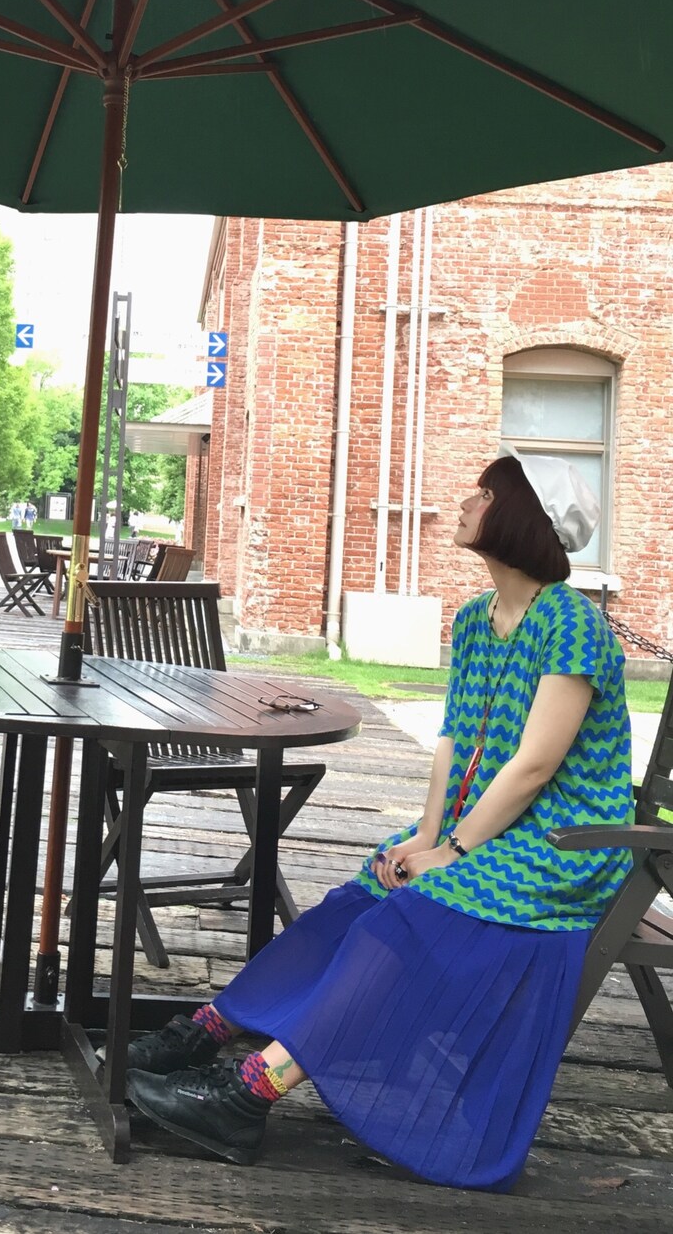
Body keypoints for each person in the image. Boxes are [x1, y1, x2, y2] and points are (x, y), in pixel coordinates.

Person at [125, 444, 633, 1191]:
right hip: (491, 827)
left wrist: (454, 851)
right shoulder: (475, 618)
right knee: (363, 893)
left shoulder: (573, 624)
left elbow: (534, 765)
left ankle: (248, 1094)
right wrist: (426, 836)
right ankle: (209, 1029)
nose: (466, 503)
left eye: (485, 495)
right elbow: (454, 740)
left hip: (566, 844)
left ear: (524, 517)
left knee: (404, 916)